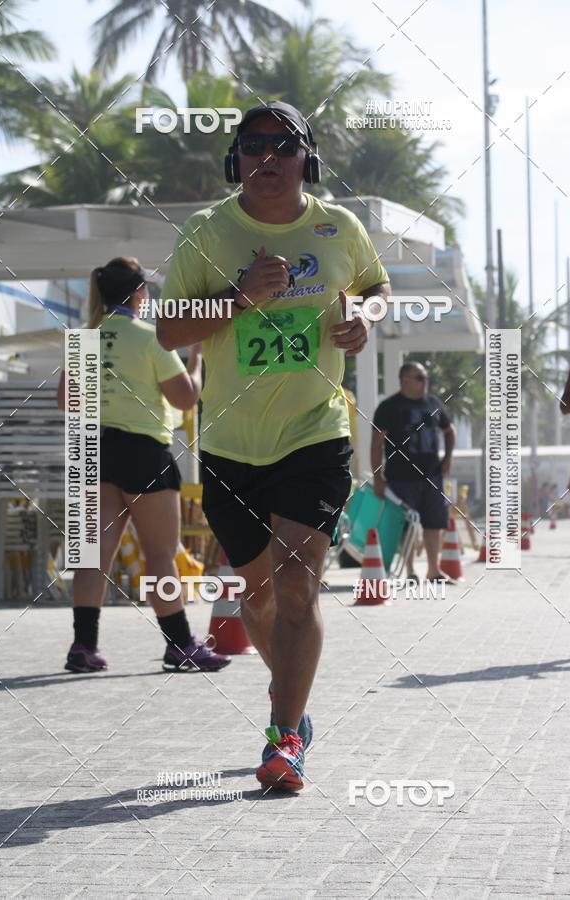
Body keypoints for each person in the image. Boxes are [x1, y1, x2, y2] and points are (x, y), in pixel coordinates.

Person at [157, 100, 390, 791]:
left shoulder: (337, 226)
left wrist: (364, 316)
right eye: (253, 144)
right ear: (236, 159)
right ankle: (288, 692)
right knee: (256, 598)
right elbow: (168, 331)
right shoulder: (208, 231)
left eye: (283, 145)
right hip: (230, 443)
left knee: (296, 584)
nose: (268, 156)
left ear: (306, 160)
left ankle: (285, 737)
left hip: (313, 432)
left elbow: (376, 286)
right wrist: (235, 298)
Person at [57, 256, 230, 674]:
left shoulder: (85, 338)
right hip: (143, 452)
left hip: (92, 449)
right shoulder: (151, 338)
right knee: (161, 555)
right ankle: (180, 644)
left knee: (91, 557)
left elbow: (66, 401)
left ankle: (83, 646)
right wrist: (196, 361)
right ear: (139, 294)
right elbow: (185, 399)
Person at [371, 361, 457, 583]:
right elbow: (376, 443)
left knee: (434, 523)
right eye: (419, 378)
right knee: (406, 525)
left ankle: (433, 570)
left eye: (425, 377)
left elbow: (449, 431)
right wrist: (377, 477)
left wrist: (447, 458)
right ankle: (409, 571)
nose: (424, 382)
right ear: (404, 381)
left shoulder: (433, 404)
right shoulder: (389, 407)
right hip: (400, 478)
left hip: (432, 475)